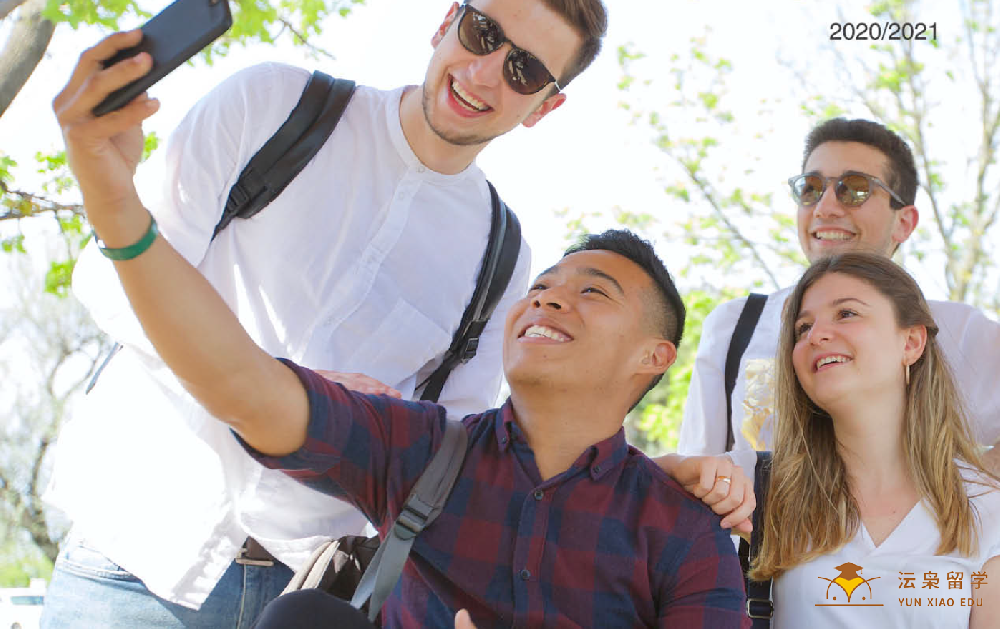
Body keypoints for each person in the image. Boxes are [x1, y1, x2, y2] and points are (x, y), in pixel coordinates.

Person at [41, 1, 608, 626]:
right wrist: (300, 392)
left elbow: (449, 449)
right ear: (447, 20)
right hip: (131, 557)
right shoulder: (274, 103)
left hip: (307, 598)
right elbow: (114, 285)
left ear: (545, 107)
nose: (484, 74)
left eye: (524, 71)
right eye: (483, 34)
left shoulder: (502, 255)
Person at [683, 252, 1000, 627]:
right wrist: (686, 471)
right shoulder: (758, 481)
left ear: (912, 342)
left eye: (846, 313)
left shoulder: (985, 505)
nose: (816, 335)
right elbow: (631, 481)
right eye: (802, 328)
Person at [677, 118, 1000, 465]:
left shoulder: (960, 330)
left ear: (904, 222)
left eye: (855, 188)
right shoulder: (735, 324)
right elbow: (697, 466)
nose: (826, 207)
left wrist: (970, 495)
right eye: (811, 188)